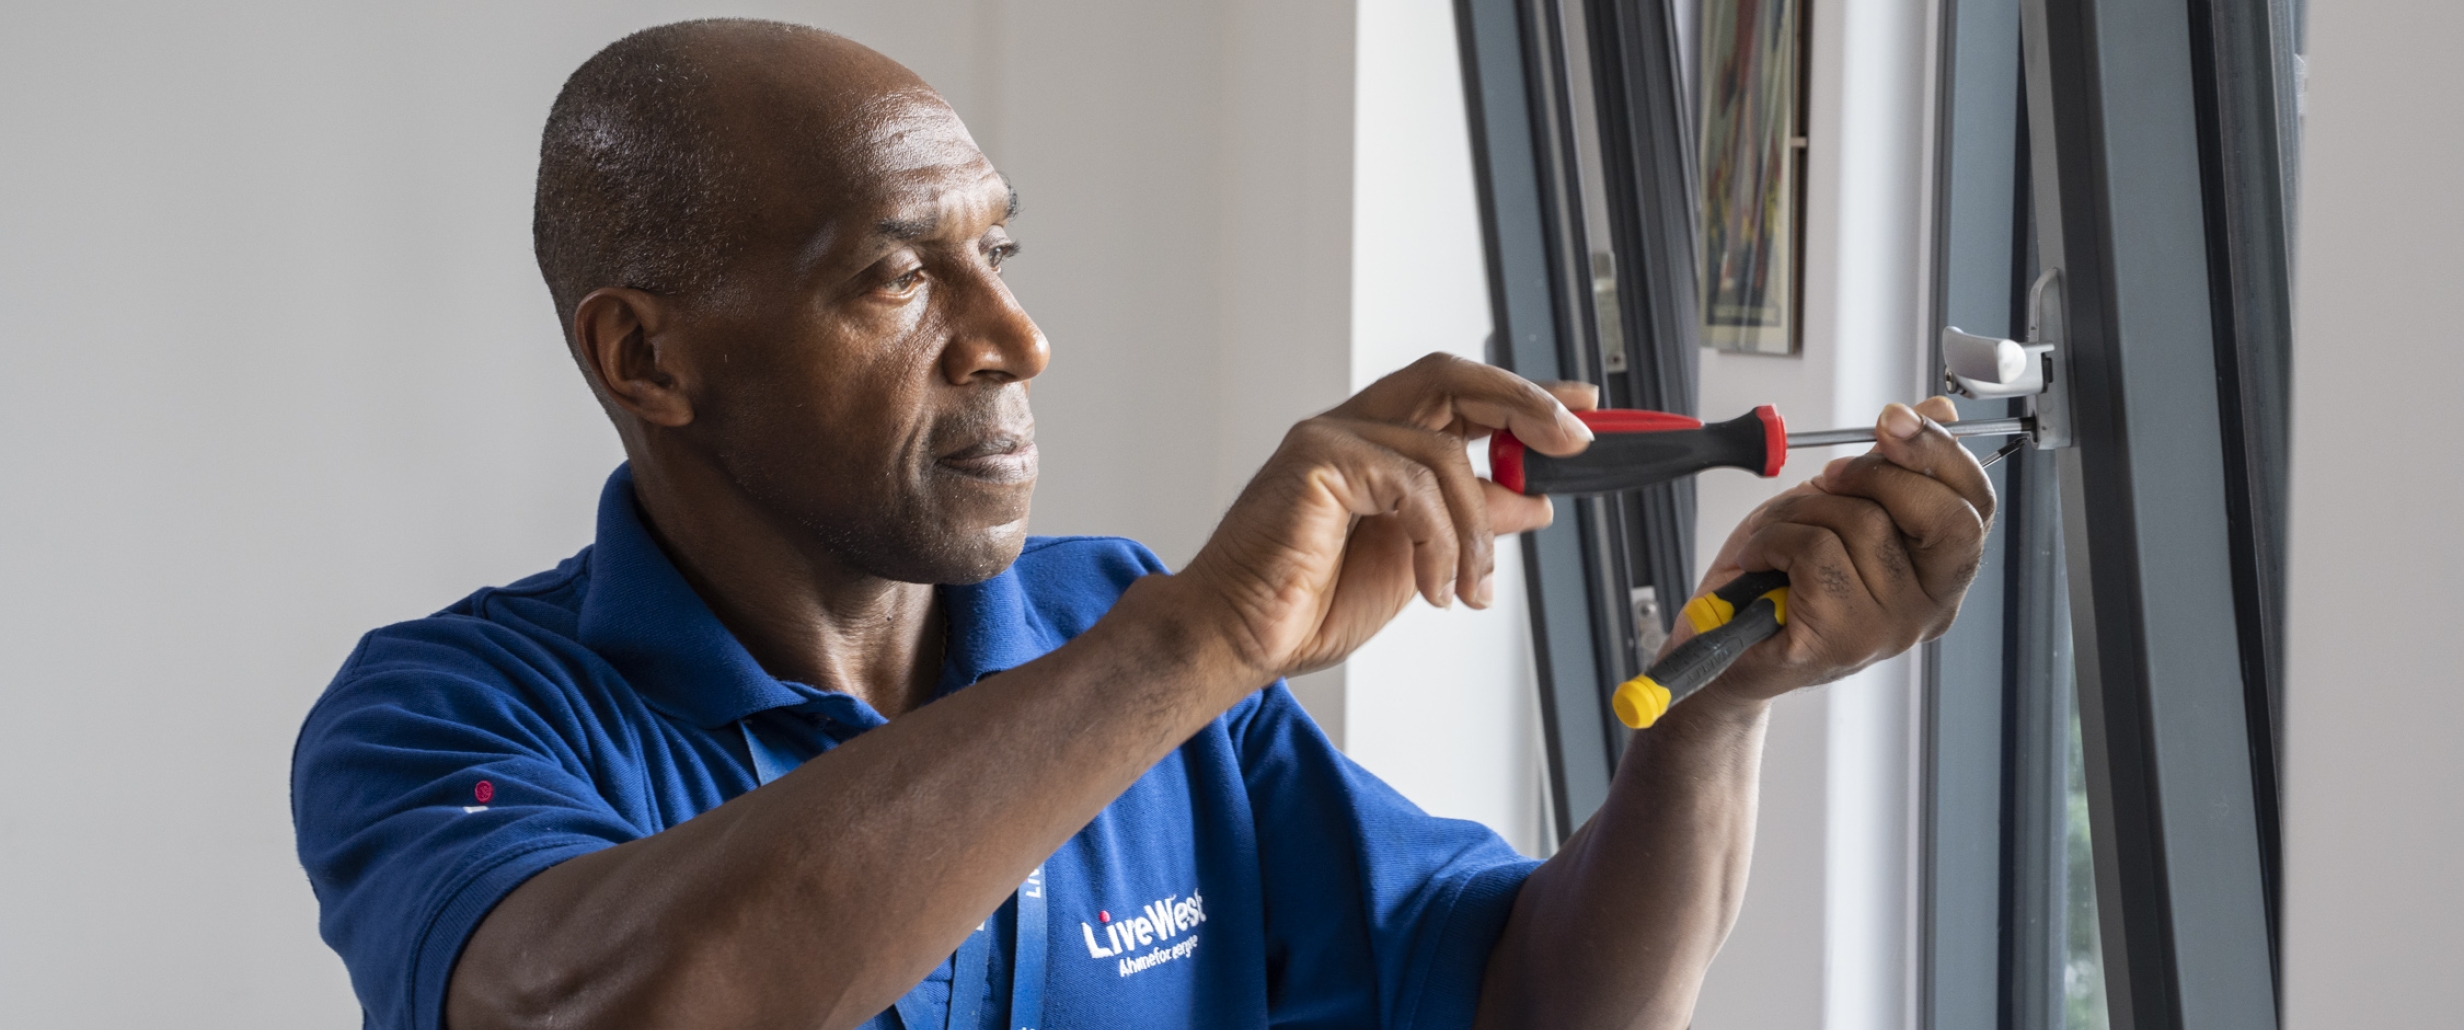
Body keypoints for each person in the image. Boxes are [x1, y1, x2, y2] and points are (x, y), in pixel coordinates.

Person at [290, 18, 1993, 1030]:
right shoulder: (449, 715)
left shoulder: (1114, 632)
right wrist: (1194, 643)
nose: (1012, 339)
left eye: (998, 257)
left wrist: (1712, 713)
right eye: (895, 275)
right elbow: (628, 1003)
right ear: (646, 356)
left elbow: (1535, 1001)